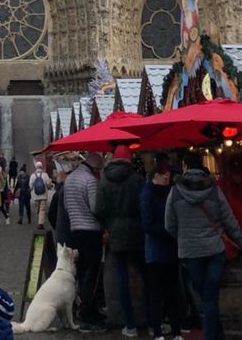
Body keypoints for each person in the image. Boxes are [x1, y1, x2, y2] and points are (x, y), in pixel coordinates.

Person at [165, 153, 242, 340]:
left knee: (204, 295)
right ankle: (215, 336)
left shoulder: (175, 191)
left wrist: (184, 237)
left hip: (190, 251)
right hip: (213, 250)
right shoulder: (213, 189)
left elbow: (169, 224)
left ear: (185, 165)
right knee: (210, 296)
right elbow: (229, 220)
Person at [96, 144, 146, 338]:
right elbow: (144, 206)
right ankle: (151, 321)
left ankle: (130, 324)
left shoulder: (104, 181)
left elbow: (99, 209)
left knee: (122, 279)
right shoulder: (137, 180)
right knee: (145, 276)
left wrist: (107, 225)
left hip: (115, 235)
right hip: (137, 233)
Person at [139, 160, 182, 340]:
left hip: (171, 250)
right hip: (156, 251)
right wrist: (170, 233)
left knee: (173, 292)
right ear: (155, 175)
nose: (167, 178)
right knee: (156, 293)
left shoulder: (170, 192)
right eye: (165, 176)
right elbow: (147, 224)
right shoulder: (147, 194)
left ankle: (176, 331)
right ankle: (157, 331)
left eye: (169, 176)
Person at [63, 152, 104, 331]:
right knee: (91, 273)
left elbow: (65, 206)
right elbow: (96, 207)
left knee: (82, 271)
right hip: (91, 231)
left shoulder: (70, 179)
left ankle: (85, 306)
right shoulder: (90, 180)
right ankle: (87, 311)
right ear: (95, 168)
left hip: (75, 230)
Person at [30, 160, 53, 230]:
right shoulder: (45, 175)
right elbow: (48, 185)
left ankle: (39, 222)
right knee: (42, 210)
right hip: (43, 195)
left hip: (36, 196)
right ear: (41, 167)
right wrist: (50, 185)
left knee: (37, 210)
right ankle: (41, 223)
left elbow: (30, 186)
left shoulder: (32, 175)